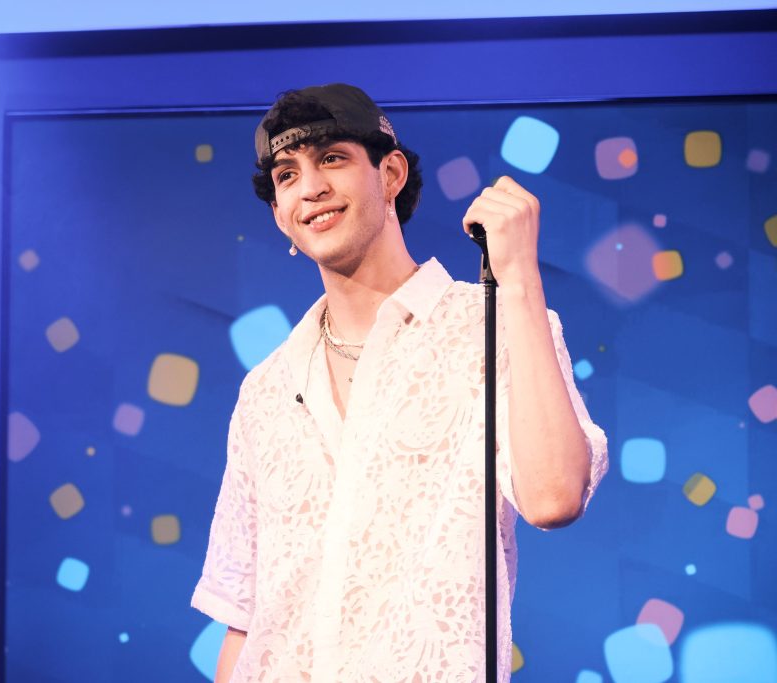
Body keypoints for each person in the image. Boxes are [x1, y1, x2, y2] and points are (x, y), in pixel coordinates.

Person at [191, 83, 608, 683]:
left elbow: (554, 498)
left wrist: (518, 276)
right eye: (287, 175)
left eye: (332, 158)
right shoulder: (266, 389)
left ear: (390, 174)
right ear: (281, 215)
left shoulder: (491, 327)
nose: (310, 187)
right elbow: (245, 618)